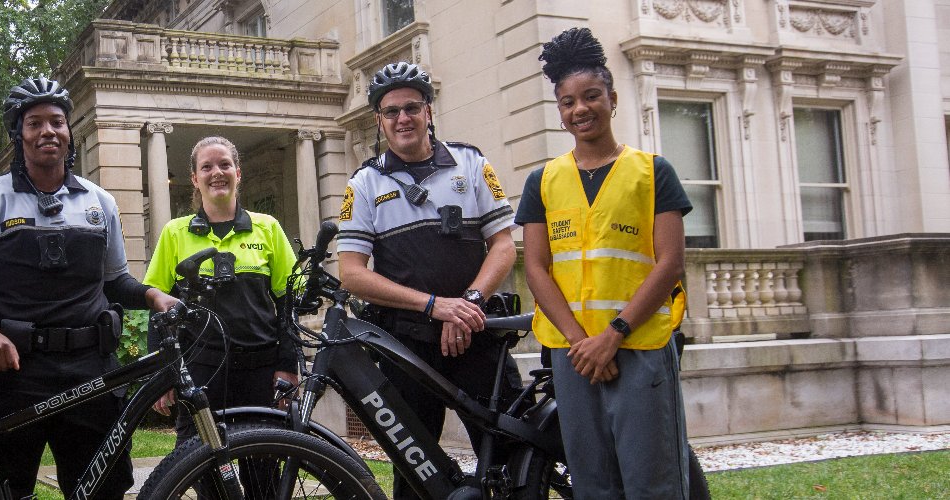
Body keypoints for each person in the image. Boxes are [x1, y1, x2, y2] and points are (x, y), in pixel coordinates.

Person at [0, 76, 178, 499]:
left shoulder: (100, 202)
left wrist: (152, 296)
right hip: (10, 375)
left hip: (90, 372)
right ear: (19, 134)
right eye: (34, 123)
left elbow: (114, 281)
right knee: (2, 491)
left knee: (99, 490)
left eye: (57, 122)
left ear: (69, 132)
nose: (48, 131)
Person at [517, 27, 695, 498]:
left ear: (612, 99)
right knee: (592, 483)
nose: (580, 109)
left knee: (653, 482)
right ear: (559, 112)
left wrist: (612, 336)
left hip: (640, 347)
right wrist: (582, 344)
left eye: (591, 96)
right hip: (574, 355)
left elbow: (670, 263)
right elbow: (537, 268)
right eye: (568, 102)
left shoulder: (653, 172)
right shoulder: (542, 181)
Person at [337, 61, 521, 498]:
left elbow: (504, 245)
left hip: (478, 334)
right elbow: (351, 274)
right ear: (379, 121)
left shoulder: (472, 163)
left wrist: (468, 304)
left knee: (512, 461)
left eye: (412, 107)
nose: (403, 118)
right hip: (407, 348)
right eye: (391, 111)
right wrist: (436, 305)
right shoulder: (363, 183)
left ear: (429, 111)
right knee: (416, 476)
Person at [143, 136, 300, 439]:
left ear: (237, 173)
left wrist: (287, 364)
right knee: (200, 469)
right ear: (194, 178)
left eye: (225, 164)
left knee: (264, 471)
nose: (217, 172)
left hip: (261, 370)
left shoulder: (267, 227)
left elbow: (287, 301)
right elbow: (157, 309)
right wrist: (162, 374)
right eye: (207, 167)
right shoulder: (175, 233)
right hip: (200, 370)